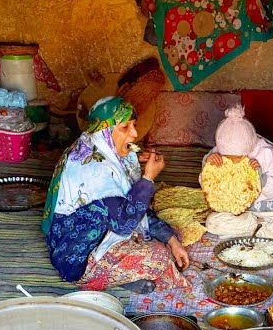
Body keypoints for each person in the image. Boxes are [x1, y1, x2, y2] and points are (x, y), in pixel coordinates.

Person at [42, 96, 190, 290]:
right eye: (125, 127)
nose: (135, 133)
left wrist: (171, 239)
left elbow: (133, 208)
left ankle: (124, 275)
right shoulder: (94, 169)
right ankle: (95, 279)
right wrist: (147, 179)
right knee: (159, 257)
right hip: (76, 258)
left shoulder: (97, 147)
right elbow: (124, 222)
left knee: (173, 236)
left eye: (134, 125)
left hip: (104, 229)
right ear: (105, 130)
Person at [201, 105, 273, 211]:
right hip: (232, 210)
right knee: (213, 222)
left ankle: (252, 226)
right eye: (228, 159)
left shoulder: (268, 153)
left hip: (267, 209)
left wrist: (262, 178)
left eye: (239, 158)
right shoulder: (218, 152)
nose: (233, 163)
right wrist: (208, 167)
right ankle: (249, 225)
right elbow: (206, 185)